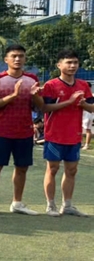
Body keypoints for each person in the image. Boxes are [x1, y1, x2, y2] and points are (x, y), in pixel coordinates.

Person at [0, 44, 43, 216]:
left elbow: (40, 106)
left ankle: (17, 203)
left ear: (25, 59)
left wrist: (35, 95)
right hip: (1, 131)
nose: (17, 59)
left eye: (21, 56)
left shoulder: (32, 79)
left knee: (22, 167)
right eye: (14, 56)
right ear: (6, 59)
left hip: (24, 131)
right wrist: (13, 95)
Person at [41, 49, 94, 217]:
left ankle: (68, 205)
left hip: (74, 135)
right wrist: (69, 102)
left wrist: (84, 104)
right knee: (53, 168)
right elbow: (45, 108)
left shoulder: (83, 85)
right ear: (59, 65)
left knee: (71, 170)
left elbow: (91, 107)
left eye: (75, 62)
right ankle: (50, 205)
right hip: (54, 135)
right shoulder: (51, 85)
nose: (72, 66)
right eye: (69, 62)